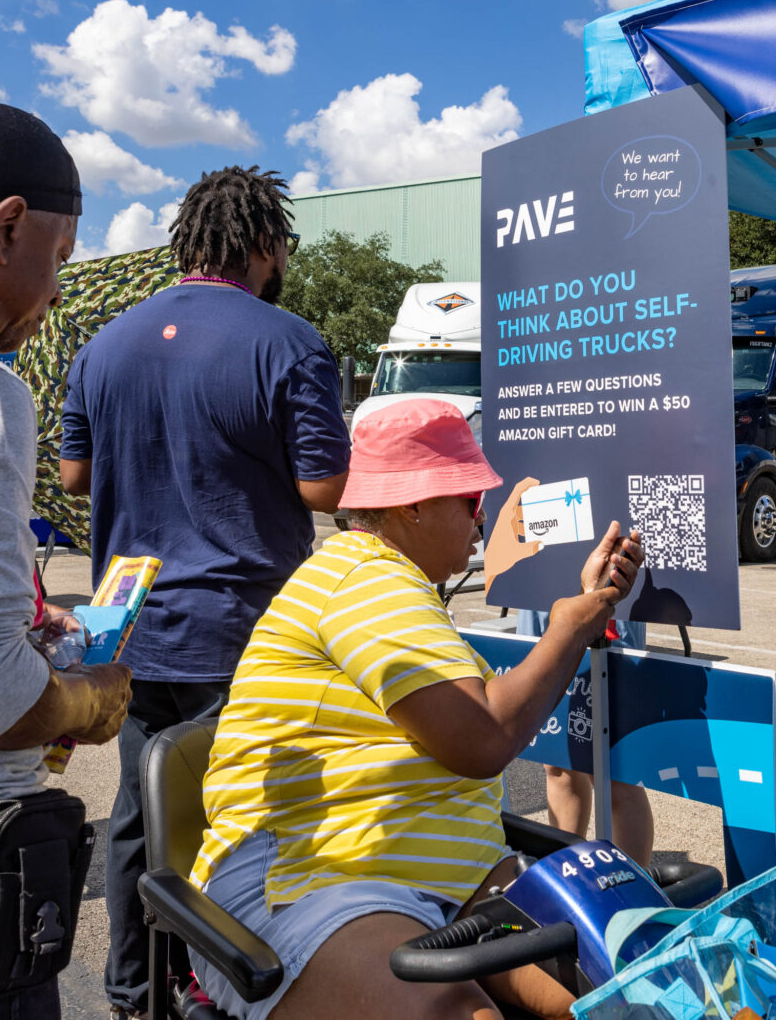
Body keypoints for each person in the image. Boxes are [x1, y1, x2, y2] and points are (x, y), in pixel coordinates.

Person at [188, 399, 643, 1020]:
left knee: (627, 997)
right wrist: (570, 625)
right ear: (412, 505)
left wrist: (585, 604)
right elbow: (483, 738)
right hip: (313, 880)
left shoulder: (393, 586)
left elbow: (484, 713)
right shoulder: (366, 580)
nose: (481, 517)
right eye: (470, 499)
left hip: (436, 874)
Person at [59, 165, 351, 1019]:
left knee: (139, 811)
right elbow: (324, 489)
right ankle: (221, 988)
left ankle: (133, 990)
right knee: (247, 816)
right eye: (282, 246)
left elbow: (74, 475)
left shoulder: (103, 344)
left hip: (128, 626)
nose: (283, 261)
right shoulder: (287, 341)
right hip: (244, 628)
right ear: (262, 242)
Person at [0, 99, 132, 1020]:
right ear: (6, 227)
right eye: (58, 258)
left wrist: (16, 620)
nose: (57, 292)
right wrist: (86, 700)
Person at [516, 610, 653, 863]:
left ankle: (632, 881)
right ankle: (567, 870)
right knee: (558, 764)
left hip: (608, 612)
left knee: (616, 773)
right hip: (544, 604)